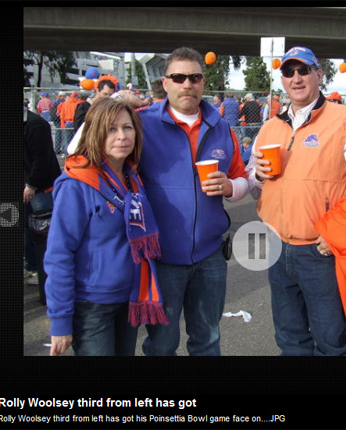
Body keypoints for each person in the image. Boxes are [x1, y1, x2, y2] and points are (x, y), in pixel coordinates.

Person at [247, 46, 346, 356]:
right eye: (288, 72)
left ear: (318, 75)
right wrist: (258, 176)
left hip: (321, 251)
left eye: (303, 70)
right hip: (278, 248)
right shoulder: (271, 126)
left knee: (330, 340)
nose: (296, 78)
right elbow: (255, 183)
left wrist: (340, 231)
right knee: (290, 338)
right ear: (282, 79)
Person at [130, 47, 248, 356]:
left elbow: (242, 181)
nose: (187, 84)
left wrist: (229, 186)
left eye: (194, 77)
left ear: (203, 83)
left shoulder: (221, 128)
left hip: (210, 257)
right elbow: (92, 152)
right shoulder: (140, 124)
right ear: (165, 83)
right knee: (162, 344)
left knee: (207, 341)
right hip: (162, 258)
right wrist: (116, 103)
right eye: (179, 77)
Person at [44, 98, 167, 356]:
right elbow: (59, 254)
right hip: (92, 305)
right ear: (95, 133)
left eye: (127, 127)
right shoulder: (76, 184)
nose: (121, 136)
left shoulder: (132, 178)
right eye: (111, 129)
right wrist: (60, 321)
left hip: (129, 298)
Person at [23, 106, 62, 297]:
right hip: (26, 187)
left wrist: (31, 184)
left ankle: (46, 274)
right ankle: (31, 265)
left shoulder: (36, 124)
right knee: (18, 226)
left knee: (43, 233)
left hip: (40, 189)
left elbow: (42, 158)